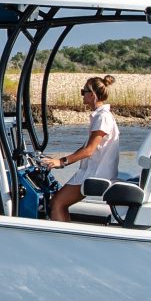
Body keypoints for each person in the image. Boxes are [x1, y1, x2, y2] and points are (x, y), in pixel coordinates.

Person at [40, 75, 122, 222]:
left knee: (57, 203)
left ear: (92, 95)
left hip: (95, 173)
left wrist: (62, 162)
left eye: (83, 91)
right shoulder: (100, 116)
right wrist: (58, 160)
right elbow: (86, 147)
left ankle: (63, 240)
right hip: (91, 170)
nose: (82, 94)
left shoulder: (103, 117)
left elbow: (89, 150)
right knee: (59, 202)